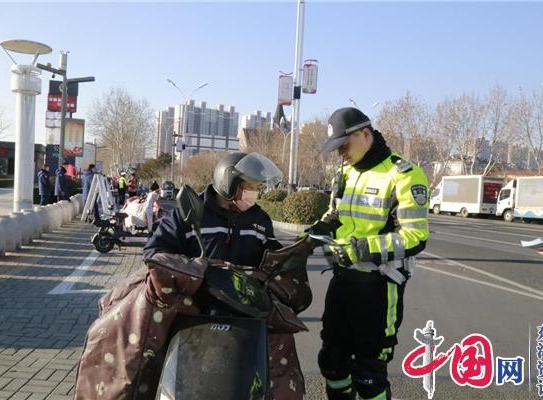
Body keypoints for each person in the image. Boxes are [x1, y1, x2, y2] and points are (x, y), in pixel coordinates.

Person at [73, 152, 312, 400]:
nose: (255, 193)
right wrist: (196, 271)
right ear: (228, 182)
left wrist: (296, 253)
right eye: (250, 186)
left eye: (257, 188)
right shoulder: (189, 212)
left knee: (280, 345)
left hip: (242, 307)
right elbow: (155, 252)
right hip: (192, 305)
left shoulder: (260, 220)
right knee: (132, 329)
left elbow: (272, 260)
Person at [309, 108, 430, 400]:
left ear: (365, 134)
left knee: (369, 375)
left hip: (378, 287)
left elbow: (415, 236)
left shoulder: (403, 174)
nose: (340, 154)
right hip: (342, 280)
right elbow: (334, 214)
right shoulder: (345, 172)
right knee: (332, 362)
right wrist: (311, 234)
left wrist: (363, 248)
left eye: (343, 146)